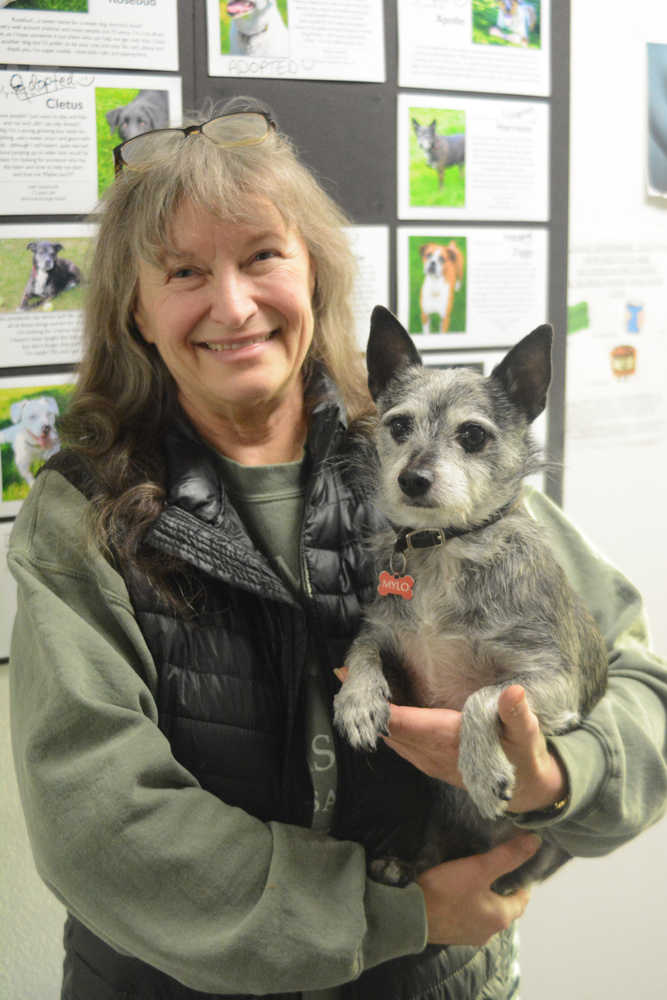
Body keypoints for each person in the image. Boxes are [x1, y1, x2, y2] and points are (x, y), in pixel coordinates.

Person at [8, 95, 667, 1000]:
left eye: (262, 255)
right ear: (135, 310)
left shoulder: (426, 471)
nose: (232, 305)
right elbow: (99, 826)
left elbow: (639, 692)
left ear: (313, 273)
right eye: (184, 271)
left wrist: (552, 774)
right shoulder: (84, 512)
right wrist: (395, 915)